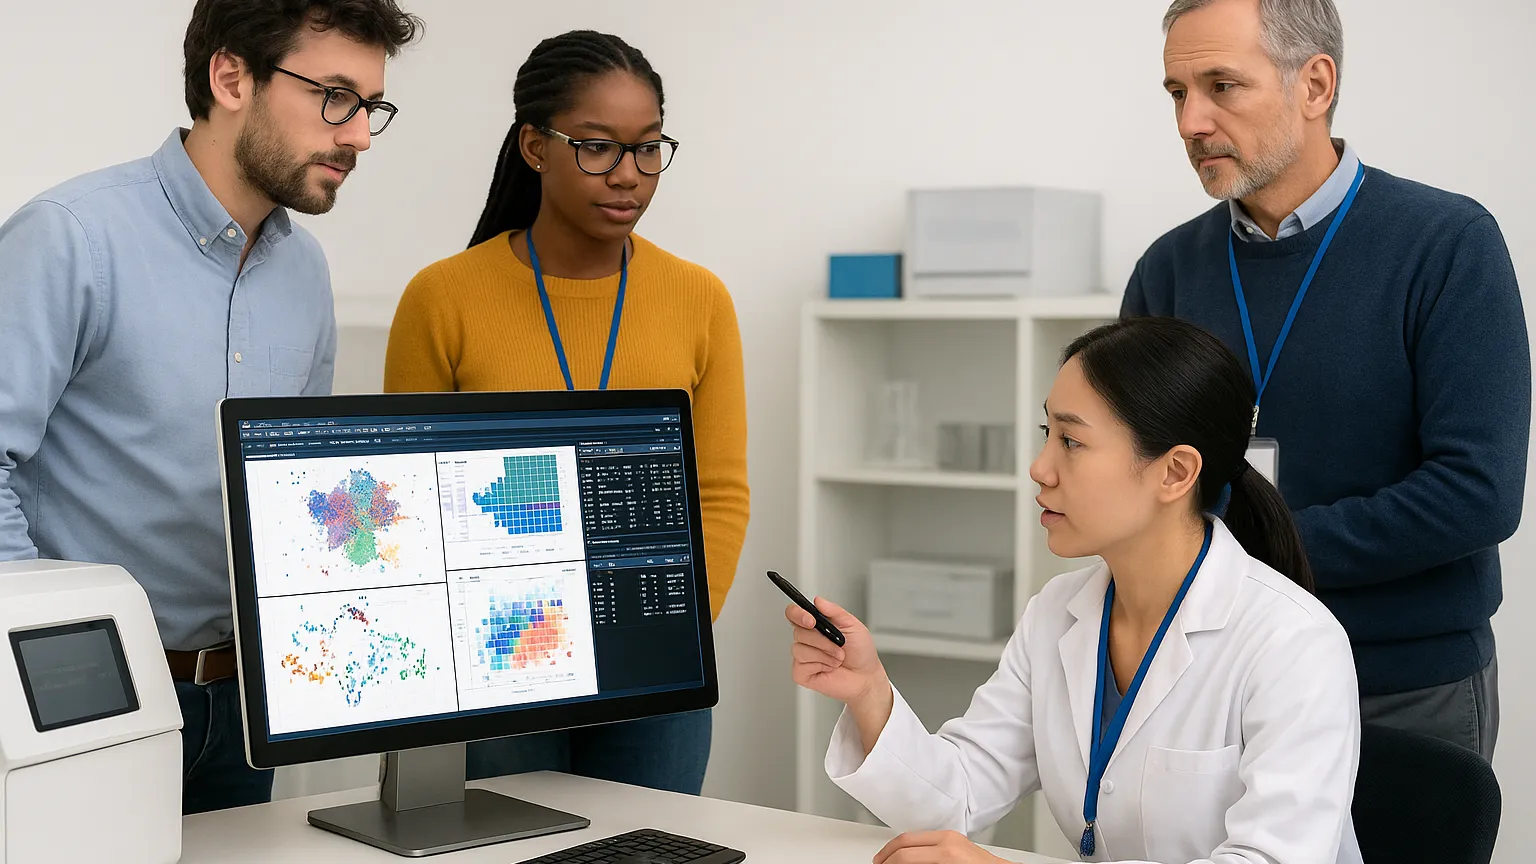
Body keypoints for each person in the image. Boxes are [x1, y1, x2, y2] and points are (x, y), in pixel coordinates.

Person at [0, 0, 421, 814]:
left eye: (371, 107)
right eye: (336, 96)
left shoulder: (306, 275)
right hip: (81, 707)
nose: (359, 135)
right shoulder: (70, 238)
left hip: (241, 709)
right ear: (231, 77)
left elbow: (300, 502)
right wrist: (54, 661)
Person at [787, 317, 1362, 864]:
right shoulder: (1057, 614)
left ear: (1175, 473)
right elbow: (955, 798)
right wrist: (869, 693)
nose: (1040, 467)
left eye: (1072, 441)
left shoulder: (1294, 643)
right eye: (1047, 433)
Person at [1123, 0, 1527, 763]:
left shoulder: (1447, 244)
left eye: (1221, 86)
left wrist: (1260, 547)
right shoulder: (1167, 270)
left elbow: (1477, 493)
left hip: (1401, 687)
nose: (1190, 122)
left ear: (1314, 85)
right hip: (1214, 679)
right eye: (1178, 93)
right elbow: (1134, 471)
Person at [384, 30, 750, 796]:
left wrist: (659, 628)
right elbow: (406, 509)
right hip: (495, 666)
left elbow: (717, 494)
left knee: (653, 848)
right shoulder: (443, 297)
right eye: (597, 148)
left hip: (654, 666)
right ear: (534, 147)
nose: (629, 176)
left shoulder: (700, 299)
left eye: (649, 149)